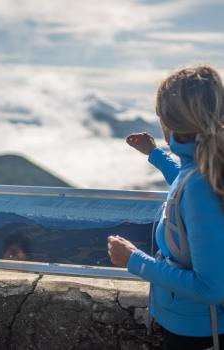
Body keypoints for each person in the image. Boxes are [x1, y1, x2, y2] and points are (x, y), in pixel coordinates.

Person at [108, 66, 224, 350]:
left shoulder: (199, 185)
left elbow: (210, 286)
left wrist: (134, 260)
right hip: (195, 326)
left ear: (169, 122)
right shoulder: (202, 170)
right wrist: (156, 155)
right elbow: (184, 186)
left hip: (198, 333)